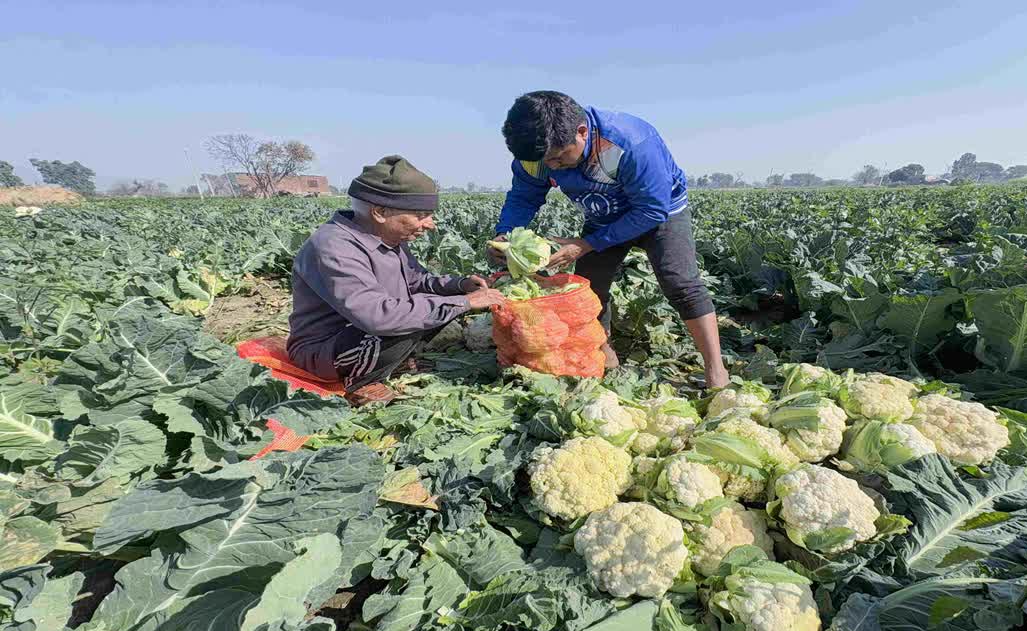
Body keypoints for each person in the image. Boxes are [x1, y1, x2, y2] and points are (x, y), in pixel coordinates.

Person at [489, 91, 729, 388]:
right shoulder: (537, 157)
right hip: (603, 213)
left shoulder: (629, 143)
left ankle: (716, 370)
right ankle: (605, 353)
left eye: (560, 157)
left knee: (681, 283)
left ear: (582, 132)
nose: (552, 166)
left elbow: (651, 209)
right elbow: (524, 197)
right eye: (546, 161)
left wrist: (586, 244)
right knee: (588, 289)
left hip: (661, 211)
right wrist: (505, 233)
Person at [288, 155, 505, 406]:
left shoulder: (388, 239)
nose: (430, 224)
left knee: (431, 308)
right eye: (421, 215)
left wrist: (460, 286)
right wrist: (464, 302)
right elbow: (377, 316)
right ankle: (360, 381)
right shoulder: (333, 246)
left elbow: (418, 282)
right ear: (380, 212)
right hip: (326, 349)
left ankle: (392, 361)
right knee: (404, 324)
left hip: (369, 329)